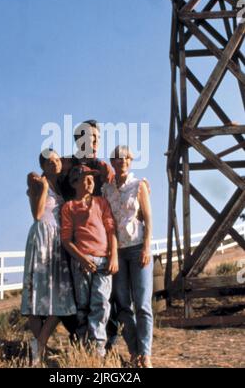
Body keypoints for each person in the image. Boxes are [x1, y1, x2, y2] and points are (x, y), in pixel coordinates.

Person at [21, 149, 76, 364]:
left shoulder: (60, 186)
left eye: (57, 160)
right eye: (50, 161)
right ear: (43, 166)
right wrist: (43, 187)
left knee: (62, 297)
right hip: (41, 236)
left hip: (57, 241)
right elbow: (36, 213)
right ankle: (40, 351)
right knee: (35, 296)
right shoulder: (38, 183)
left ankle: (39, 343)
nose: (55, 164)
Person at [102, 145, 154, 368]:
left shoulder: (139, 185)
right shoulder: (107, 190)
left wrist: (146, 247)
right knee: (123, 305)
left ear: (130, 161)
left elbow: (148, 219)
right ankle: (134, 352)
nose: (122, 161)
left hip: (137, 248)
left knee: (142, 304)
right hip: (118, 252)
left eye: (126, 158)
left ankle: (146, 353)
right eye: (117, 158)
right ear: (112, 163)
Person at [61, 165, 118, 357]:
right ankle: (81, 349)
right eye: (86, 179)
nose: (91, 182)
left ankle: (98, 351)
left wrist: (113, 256)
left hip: (103, 261)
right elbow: (66, 240)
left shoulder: (101, 203)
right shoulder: (69, 207)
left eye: (92, 179)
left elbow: (111, 230)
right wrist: (82, 259)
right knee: (83, 306)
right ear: (75, 182)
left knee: (101, 304)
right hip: (81, 262)